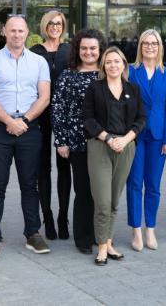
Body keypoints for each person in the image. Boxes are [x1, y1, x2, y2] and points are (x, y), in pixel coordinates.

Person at [0, 14, 51, 259]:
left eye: (21, 31)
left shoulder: (39, 62)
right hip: (1, 128)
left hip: (29, 129)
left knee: (30, 185)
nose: (17, 35)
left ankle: (32, 233)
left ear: (27, 32)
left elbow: (44, 97)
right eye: (12, 31)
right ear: (4, 32)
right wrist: (10, 121)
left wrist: (25, 121)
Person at [83, 47, 146, 265]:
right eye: (108, 62)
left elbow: (140, 119)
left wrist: (126, 139)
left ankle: (108, 242)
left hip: (126, 147)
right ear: (103, 66)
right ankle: (101, 247)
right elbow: (88, 119)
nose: (113, 65)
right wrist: (109, 138)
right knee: (102, 200)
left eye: (117, 61)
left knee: (114, 200)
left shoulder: (133, 89)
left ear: (124, 65)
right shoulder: (95, 88)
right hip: (101, 146)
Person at [51, 28, 107, 255]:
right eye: (84, 48)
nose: (88, 52)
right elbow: (58, 110)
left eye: (93, 48)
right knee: (83, 191)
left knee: (101, 192)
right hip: (77, 143)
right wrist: (62, 141)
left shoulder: (107, 74)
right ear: (77, 50)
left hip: (104, 142)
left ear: (100, 50)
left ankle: (99, 233)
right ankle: (83, 238)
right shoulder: (68, 75)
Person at [126, 29, 166, 252]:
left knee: (153, 185)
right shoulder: (130, 71)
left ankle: (151, 229)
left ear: (160, 47)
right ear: (140, 46)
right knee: (135, 183)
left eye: (154, 43)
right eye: (145, 43)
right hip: (134, 135)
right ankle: (136, 229)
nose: (149, 47)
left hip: (158, 136)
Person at [30, 10, 71, 240]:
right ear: (44, 26)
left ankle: (63, 217)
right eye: (51, 23)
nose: (55, 26)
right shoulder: (34, 52)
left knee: (64, 167)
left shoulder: (71, 51)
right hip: (41, 115)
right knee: (42, 168)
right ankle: (47, 217)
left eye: (59, 23)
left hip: (66, 117)